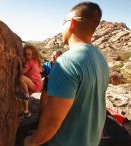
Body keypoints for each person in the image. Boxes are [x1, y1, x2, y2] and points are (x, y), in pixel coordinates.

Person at [24, 1, 109, 146]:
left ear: (71, 24)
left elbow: (53, 121)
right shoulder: (101, 59)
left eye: (64, 21)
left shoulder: (67, 62)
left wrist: (32, 141)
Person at [19, 44, 43, 118]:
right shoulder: (35, 61)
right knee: (25, 98)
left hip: (35, 84)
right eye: (25, 54)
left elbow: (22, 72)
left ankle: (26, 94)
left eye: (29, 54)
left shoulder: (30, 62)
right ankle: (26, 112)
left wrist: (19, 63)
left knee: (21, 77)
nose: (27, 56)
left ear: (33, 54)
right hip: (38, 84)